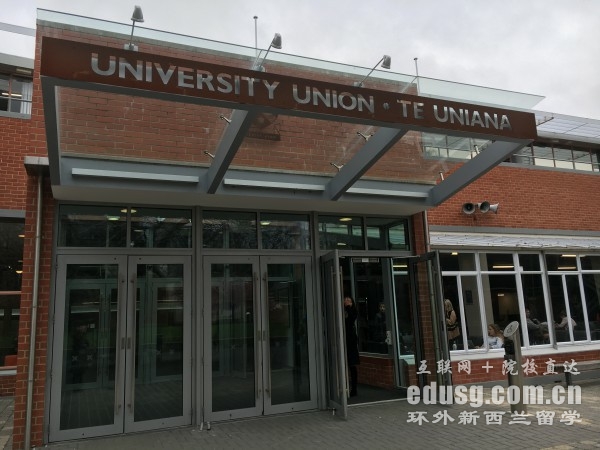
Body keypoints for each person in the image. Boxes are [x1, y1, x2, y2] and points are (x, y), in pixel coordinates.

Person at [344, 295, 360, 397]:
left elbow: (351, 320)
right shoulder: (340, 311)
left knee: (352, 364)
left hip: (350, 341)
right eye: (345, 300)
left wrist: (348, 307)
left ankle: (354, 388)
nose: (346, 301)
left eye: (348, 300)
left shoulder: (353, 311)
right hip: (342, 339)